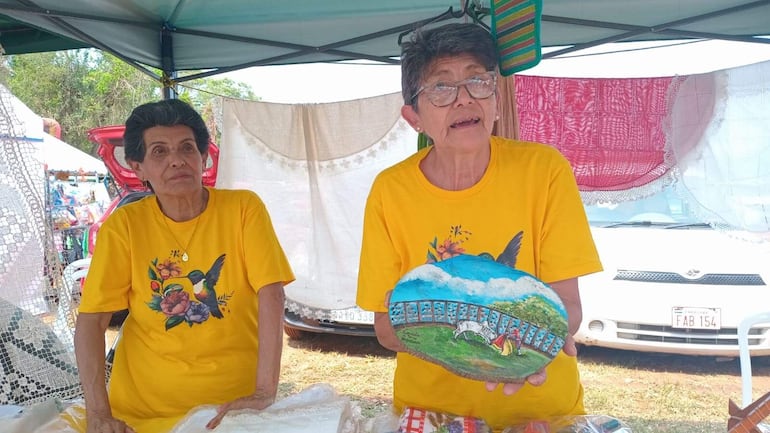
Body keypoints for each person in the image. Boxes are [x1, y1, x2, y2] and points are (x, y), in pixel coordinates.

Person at [356, 23, 603, 432]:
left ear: (498, 98)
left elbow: (568, 307)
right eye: (441, 87)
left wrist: (517, 352)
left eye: (477, 80)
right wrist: (474, 349)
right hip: (430, 416)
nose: (464, 98)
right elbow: (385, 326)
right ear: (413, 116)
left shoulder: (543, 171)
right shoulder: (390, 191)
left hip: (536, 413)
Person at [73, 99, 295, 433]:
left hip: (231, 415)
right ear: (138, 166)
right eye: (159, 151)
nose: (177, 160)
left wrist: (264, 392)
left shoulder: (243, 209)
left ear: (203, 157)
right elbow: (92, 319)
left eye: (187, 148)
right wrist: (98, 413)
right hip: (140, 415)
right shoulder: (125, 226)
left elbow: (271, 294)